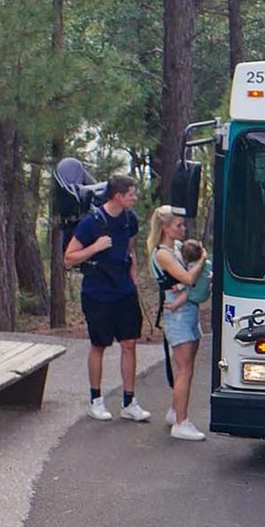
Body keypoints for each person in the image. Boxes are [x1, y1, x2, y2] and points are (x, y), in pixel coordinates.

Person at [64, 174, 152, 422]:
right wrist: (95, 247)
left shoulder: (129, 219)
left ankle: (129, 401)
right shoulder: (91, 223)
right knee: (99, 344)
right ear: (118, 196)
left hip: (124, 290)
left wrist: (132, 275)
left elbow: (129, 249)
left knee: (129, 343)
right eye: (131, 194)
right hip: (97, 292)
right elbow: (69, 258)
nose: (135, 198)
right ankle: (96, 400)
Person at [147, 205, 206, 441]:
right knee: (184, 368)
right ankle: (181, 422)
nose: (183, 229)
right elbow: (189, 278)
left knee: (188, 364)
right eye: (178, 225)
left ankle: (175, 410)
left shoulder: (179, 248)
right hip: (177, 315)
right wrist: (202, 259)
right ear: (165, 228)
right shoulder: (162, 253)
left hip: (189, 310)